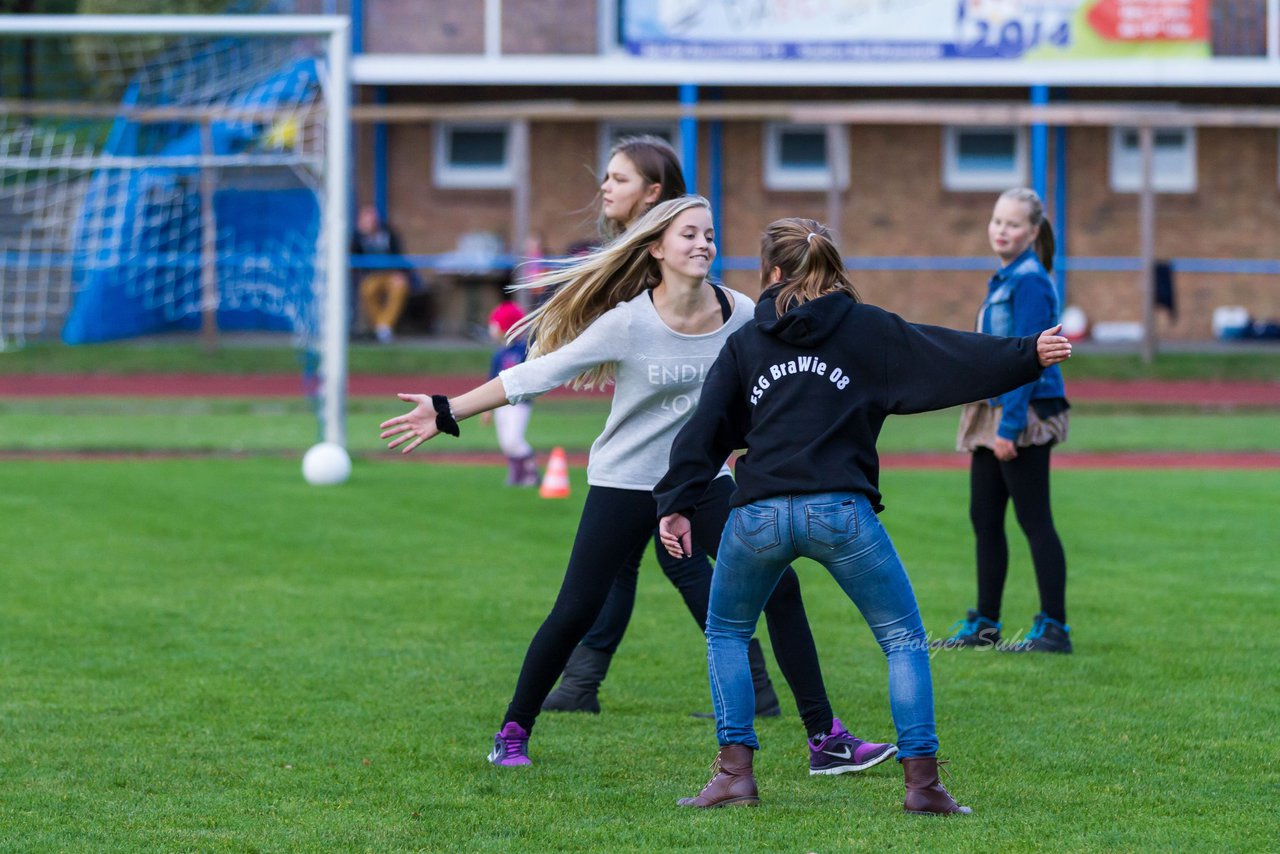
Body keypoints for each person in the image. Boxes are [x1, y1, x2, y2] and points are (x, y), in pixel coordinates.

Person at [380, 196, 893, 774]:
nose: (704, 245)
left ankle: (826, 739)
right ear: (656, 248)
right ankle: (513, 731)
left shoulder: (743, 313)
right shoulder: (628, 321)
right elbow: (534, 374)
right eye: (689, 235)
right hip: (625, 481)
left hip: (702, 483)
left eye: (710, 235)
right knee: (576, 609)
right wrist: (447, 409)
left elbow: (789, 362)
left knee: (781, 588)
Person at [654, 217, 1071, 812]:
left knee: (726, 633)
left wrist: (676, 505)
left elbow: (704, 431)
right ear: (830, 268)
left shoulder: (746, 341)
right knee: (902, 639)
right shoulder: (867, 330)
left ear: (772, 273)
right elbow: (947, 356)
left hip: (758, 515)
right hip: (841, 512)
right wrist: (1026, 354)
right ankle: (923, 787)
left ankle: (735, 778)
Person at [544, 134, 782, 718]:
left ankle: (755, 686)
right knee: (628, 564)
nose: (605, 186)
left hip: (683, 462)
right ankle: (581, 683)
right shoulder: (633, 256)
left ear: (653, 194)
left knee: (684, 563)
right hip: (647, 456)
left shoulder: (670, 260)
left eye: (619, 178)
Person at [941, 188, 1073, 653]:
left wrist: (1009, 428)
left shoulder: (1031, 280)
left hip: (1023, 414)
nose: (1001, 230)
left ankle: (1054, 628)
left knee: (1035, 520)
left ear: (1033, 232)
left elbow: (1030, 357)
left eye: (1013, 224)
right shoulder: (1004, 278)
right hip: (991, 410)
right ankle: (985, 625)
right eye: (997, 221)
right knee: (984, 517)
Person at [482, 300, 539, 486]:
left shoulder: (523, 350)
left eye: (495, 324)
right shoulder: (499, 353)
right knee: (506, 442)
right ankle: (516, 475)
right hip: (500, 404)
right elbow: (491, 381)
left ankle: (530, 473)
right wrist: (486, 409)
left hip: (519, 403)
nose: (492, 329)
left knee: (514, 439)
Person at [351, 204, 410, 344]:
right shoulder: (358, 236)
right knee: (367, 289)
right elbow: (353, 257)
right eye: (366, 220)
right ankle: (382, 328)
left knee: (400, 287)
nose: (369, 223)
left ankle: (383, 327)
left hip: (391, 273)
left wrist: (400, 272)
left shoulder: (389, 233)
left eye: (371, 219)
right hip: (372, 275)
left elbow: (399, 255)